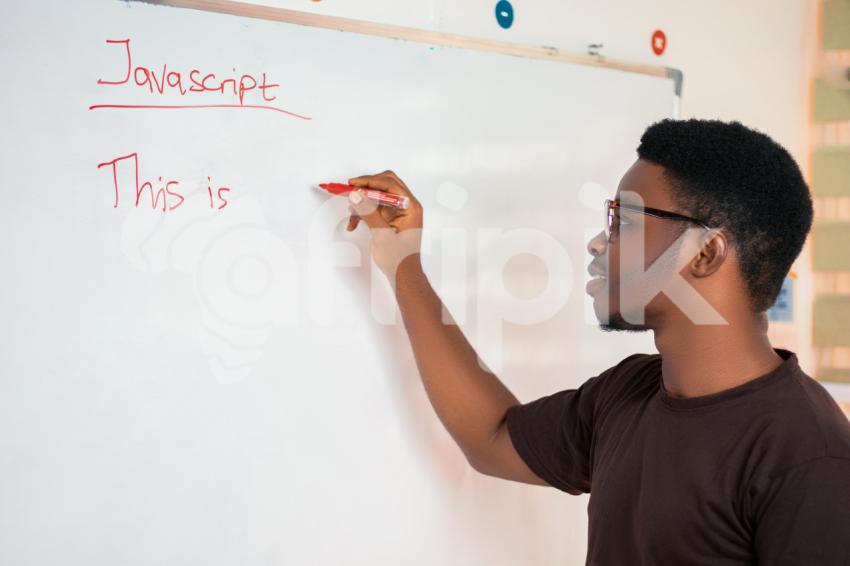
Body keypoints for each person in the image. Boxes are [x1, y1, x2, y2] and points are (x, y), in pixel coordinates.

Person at [341, 118, 850, 565]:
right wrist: (403, 260)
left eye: (623, 220)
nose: (597, 241)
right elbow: (491, 438)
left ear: (705, 254)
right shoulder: (628, 392)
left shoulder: (808, 457)